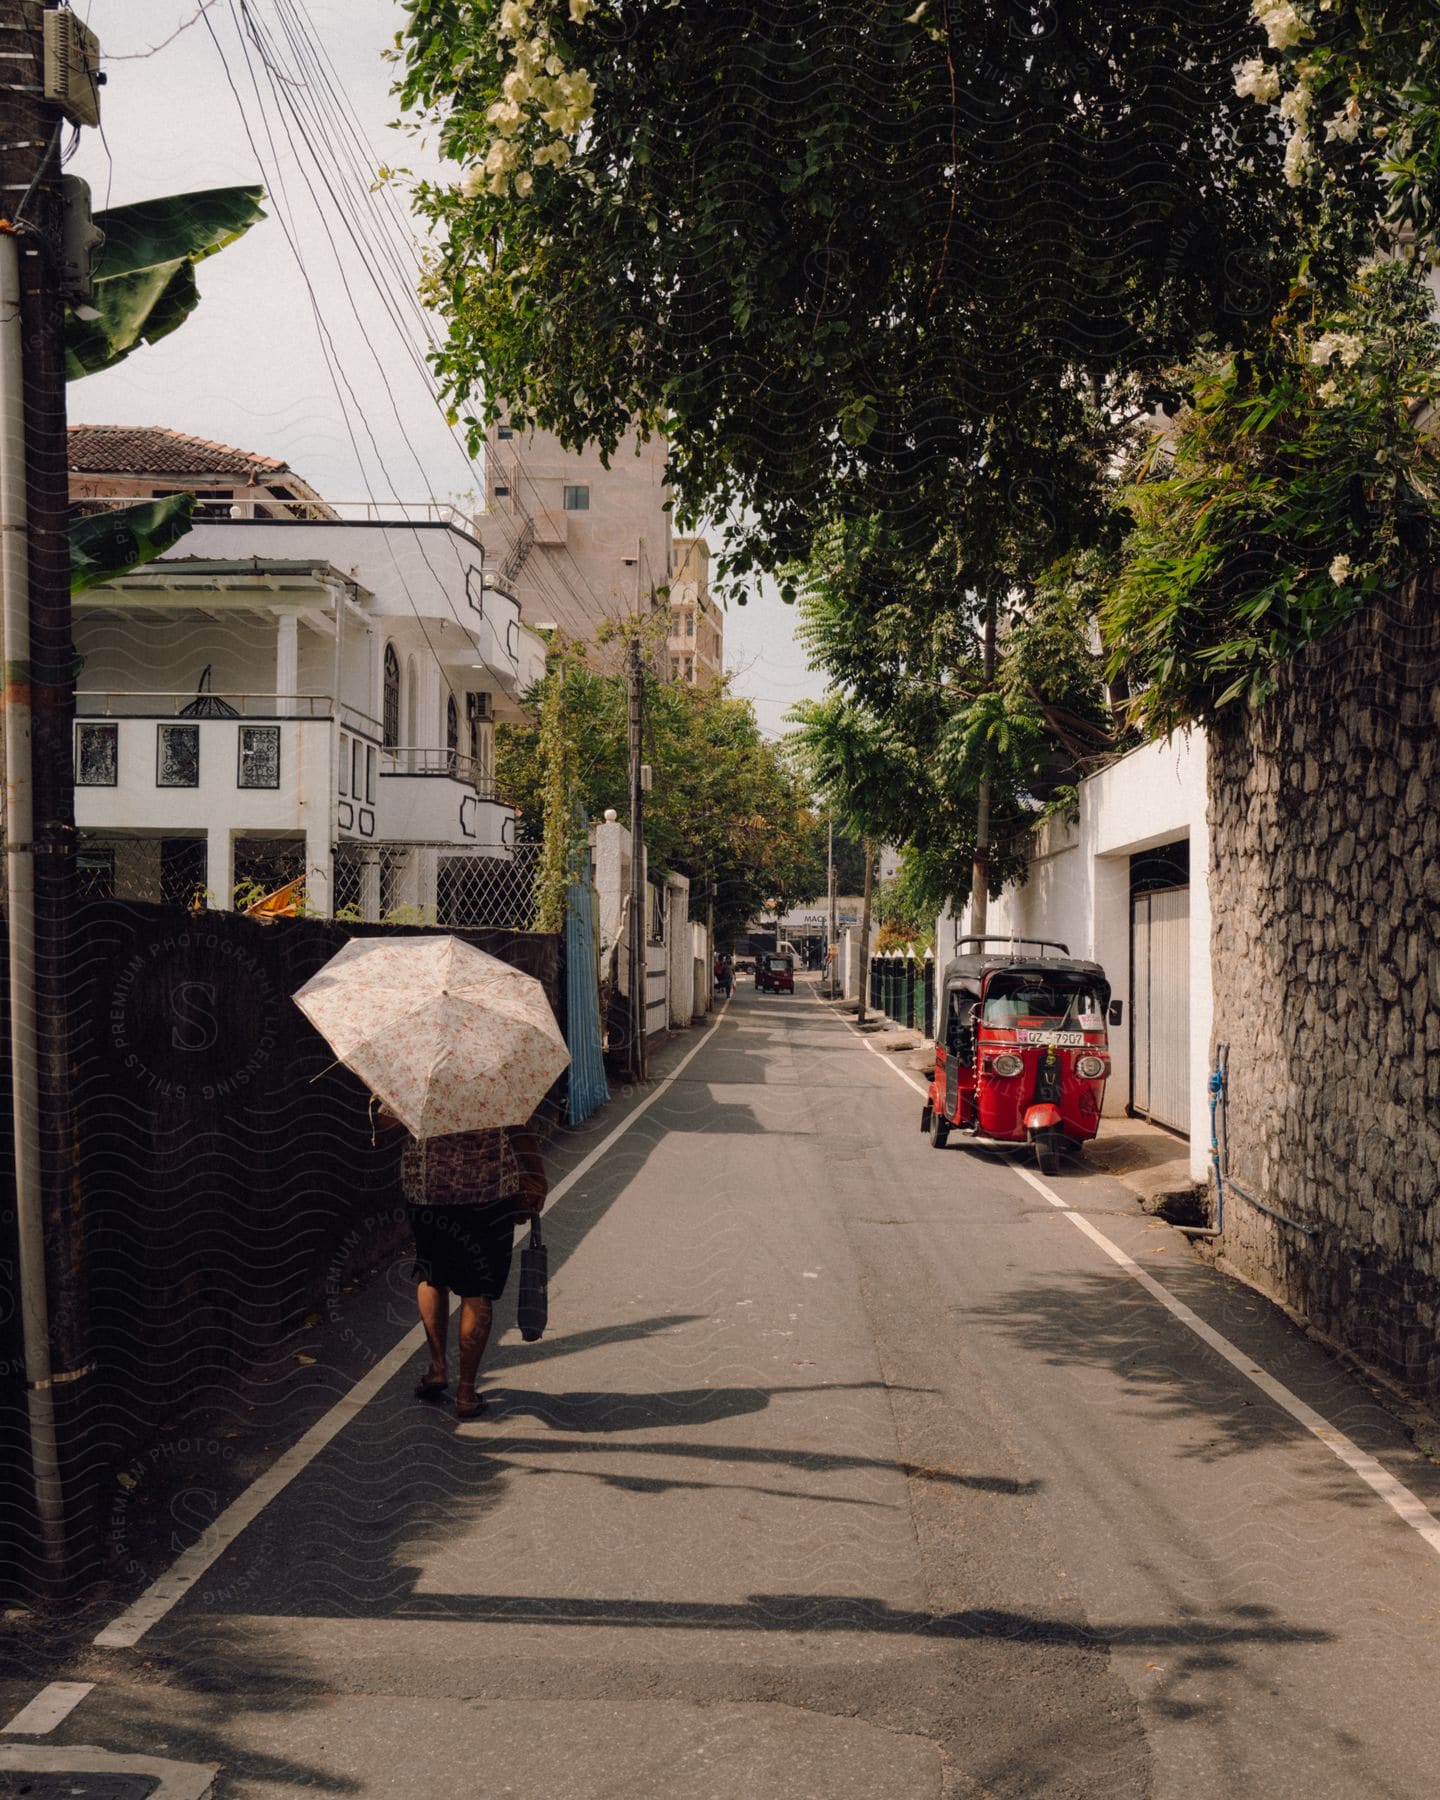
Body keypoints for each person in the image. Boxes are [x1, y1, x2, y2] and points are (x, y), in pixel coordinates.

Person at [378, 1108, 548, 1420]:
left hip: (428, 1191)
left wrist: (403, 1104)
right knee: (477, 1289)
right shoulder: (496, 1069)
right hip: (490, 1191)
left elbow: (385, 1123)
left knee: (431, 1274)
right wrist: (536, 1175)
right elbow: (519, 1126)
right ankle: (466, 1393)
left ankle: (437, 1369)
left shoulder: (413, 1070)